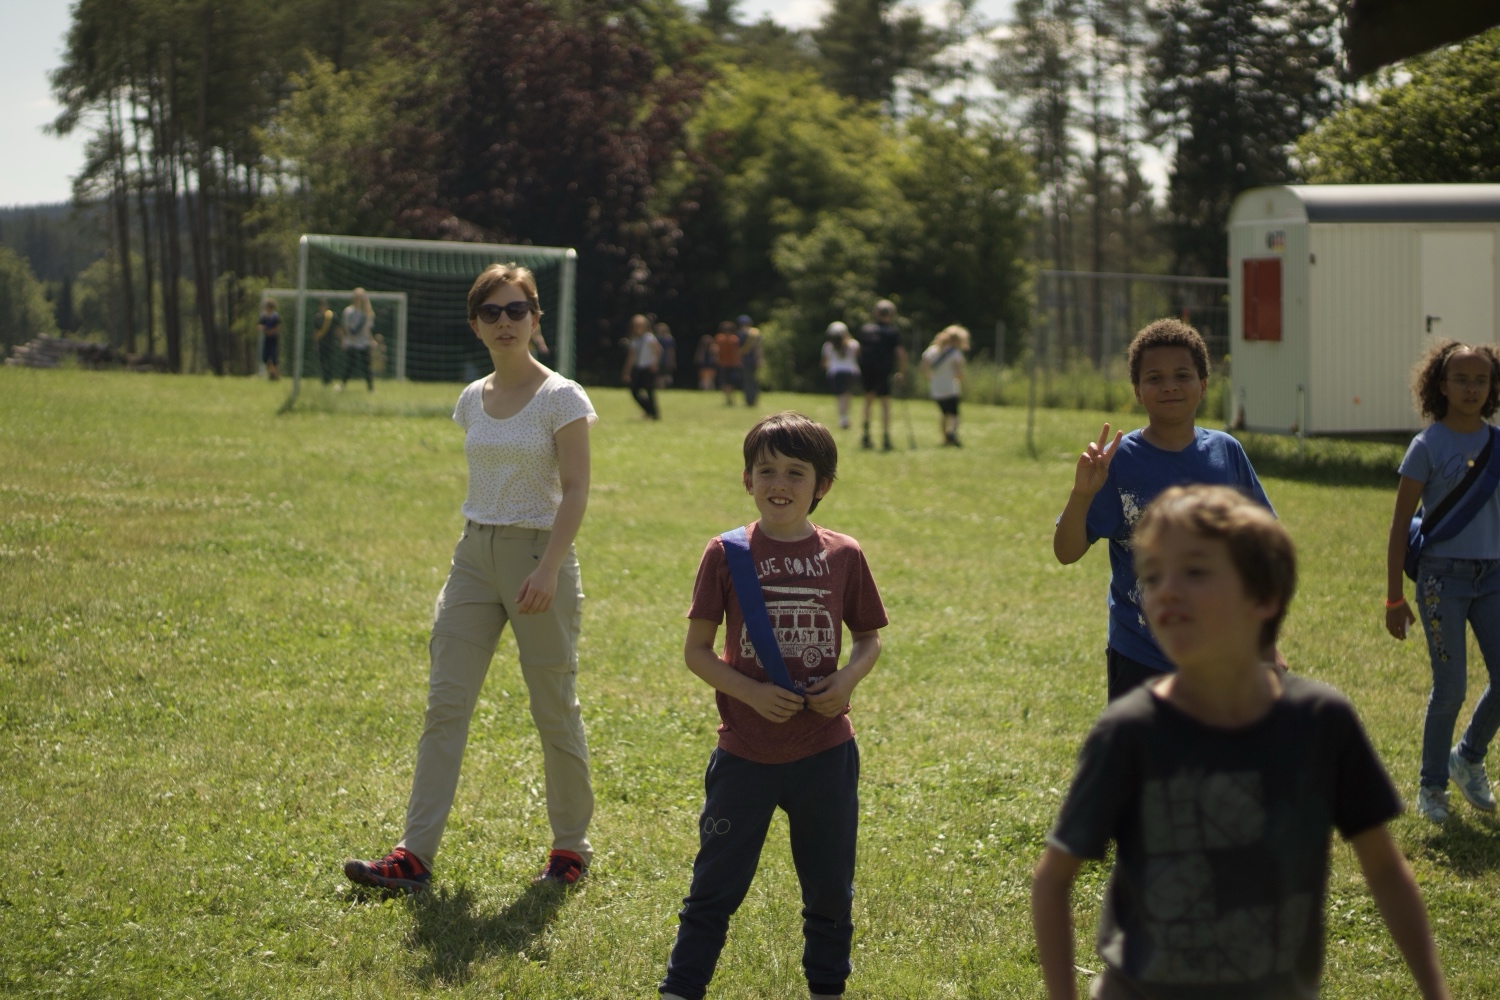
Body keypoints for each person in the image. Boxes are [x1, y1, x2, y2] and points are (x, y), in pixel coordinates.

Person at [1032, 485, 1449, 1000]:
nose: (1166, 592)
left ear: (1264, 597)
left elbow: (1384, 868)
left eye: (1195, 571)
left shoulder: (1319, 723)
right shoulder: (1130, 732)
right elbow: (1053, 880)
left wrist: (1436, 990)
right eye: (1152, 576)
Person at [344, 263, 597, 892]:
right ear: (475, 324)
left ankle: (570, 850)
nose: (505, 322)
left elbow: (576, 489)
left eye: (517, 310)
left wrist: (548, 567)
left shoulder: (562, 397)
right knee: (445, 705)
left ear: (535, 319)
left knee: (553, 708)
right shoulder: (470, 398)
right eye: (492, 312)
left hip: (538, 557)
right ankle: (413, 855)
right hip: (473, 557)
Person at [659, 411, 888, 1000]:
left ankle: (827, 988)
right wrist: (752, 692)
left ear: (822, 485)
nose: (779, 484)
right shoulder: (726, 552)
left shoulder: (844, 554)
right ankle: (681, 988)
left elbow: (868, 638)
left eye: (795, 472)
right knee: (713, 888)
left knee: (830, 891)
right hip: (745, 754)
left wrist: (847, 680)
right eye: (766, 471)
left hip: (825, 755)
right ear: (747, 480)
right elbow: (697, 651)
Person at [1052, 318, 1276, 702]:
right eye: (1154, 378)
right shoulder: (1119, 462)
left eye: (1182, 375)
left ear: (1203, 385)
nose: (1169, 385)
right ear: (1138, 392)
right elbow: (1066, 552)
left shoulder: (1226, 453)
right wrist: (1081, 494)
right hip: (1140, 655)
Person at [1385, 340, 1500, 823]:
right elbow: (1399, 527)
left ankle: (1467, 758)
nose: (1471, 389)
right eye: (1461, 379)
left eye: (1481, 380)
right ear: (1441, 385)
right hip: (1441, 581)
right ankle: (1431, 787)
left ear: (1492, 387)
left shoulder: (1497, 443)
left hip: (1493, 577)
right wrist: (1393, 598)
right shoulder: (1427, 445)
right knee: (1450, 688)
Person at [855, 299, 906, 451]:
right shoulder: (892, 332)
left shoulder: (866, 329)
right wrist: (901, 372)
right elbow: (900, 353)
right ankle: (885, 437)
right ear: (891, 314)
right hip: (884, 371)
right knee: (885, 403)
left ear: (875, 313)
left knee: (868, 401)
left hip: (867, 370)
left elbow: (858, 350)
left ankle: (866, 434)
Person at [920, 325, 969, 447]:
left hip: (936, 388)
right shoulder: (955, 353)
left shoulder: (932, 350)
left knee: (943, 413)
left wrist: (931, 377)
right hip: (951, 387)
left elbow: (923, 367)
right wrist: (961, 378)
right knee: (954, 413)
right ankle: (951, 432)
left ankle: (944, 438)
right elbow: (958, 372)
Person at [820, 321, 860, 430]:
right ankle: (845, 417)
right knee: (847, 395)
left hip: (835, 373)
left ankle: (843, 418)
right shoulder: (853, 344)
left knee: (840, 396)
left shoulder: (828, 346)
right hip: (851, 372)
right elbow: (858, 356)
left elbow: (824, 363)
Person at [623, 313, 661, 420]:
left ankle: (654, 414)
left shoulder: (649, 338)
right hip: (638, 368)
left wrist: (654, 363)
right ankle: (648, 410)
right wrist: (626, 371)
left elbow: (657, 350)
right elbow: (631, 357)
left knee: (650, 391)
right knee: (634, 391)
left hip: (648, 368)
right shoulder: (634, 340)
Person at [339, 288, 376, 392]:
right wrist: (346, 338)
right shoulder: (348, 311)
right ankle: (342, 385)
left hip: (364, 342)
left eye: (361, 297)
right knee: (350, 364)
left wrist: (371, 340)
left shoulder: (367, 313)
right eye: (357, 297)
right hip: (351, 342)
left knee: (366, 366)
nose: (359, 300)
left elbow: (368, 329)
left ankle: (371, 388)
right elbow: (345, 327)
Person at [715, 320, 743, 406]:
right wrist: (739, 361)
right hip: (733, 364)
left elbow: (716, 351)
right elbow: (737, 352)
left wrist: (717, 360)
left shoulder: (719, 338)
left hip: (723, 364)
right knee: (732, 382)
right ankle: (730, 398)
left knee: (725, 382)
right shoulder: (734, 339)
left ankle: (728, 398)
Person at [738, 314, 762, 407]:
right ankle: (754, 400)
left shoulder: (740, 334)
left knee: (747, 381)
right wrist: (759, 360)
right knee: (755, 380)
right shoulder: (755, 333)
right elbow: (758, 348)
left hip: (744, 361)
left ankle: (748, 400)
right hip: (754, 360)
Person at [312, 298, 337, 385]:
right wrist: (315, 343)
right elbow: (316, 331)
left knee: (330, 361)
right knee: (322, 361)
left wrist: (342, 340)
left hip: (330, 342)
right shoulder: (317, 317)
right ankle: (324, 379)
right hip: (321, 342)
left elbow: (337, 329)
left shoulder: (332, 316)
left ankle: (329, 378)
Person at [258, 298, 282, 381]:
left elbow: (278, 328)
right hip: (266, 340)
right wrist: (264, 329)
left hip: (274, 340)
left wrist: (270, 331)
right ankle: (274, 375)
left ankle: (275, 376)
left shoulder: (275, 316)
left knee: (274, 359)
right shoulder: (263, 316)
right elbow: (259, 326)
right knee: (265, 359)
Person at [655, 320, 678, 389]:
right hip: (659, 360)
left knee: (661, 376)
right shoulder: (656, 338)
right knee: (660, 376)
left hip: (662, 360)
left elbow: (670, 351)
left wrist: (671, 361)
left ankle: (661, 388)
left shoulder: (667, 339)